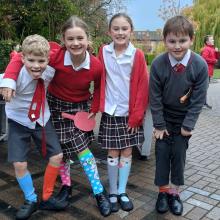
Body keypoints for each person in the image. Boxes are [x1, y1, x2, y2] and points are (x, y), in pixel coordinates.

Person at [2, 16, 111, 217]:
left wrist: (94, 108)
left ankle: (98, 193)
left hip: (79, 108)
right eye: (70, 39)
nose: (76, 43)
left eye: (80, 38)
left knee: (83, 152)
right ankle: (66, 187)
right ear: (63, 40)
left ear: (88, 39)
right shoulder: (55, 56)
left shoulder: (95, 65)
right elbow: (21, 57)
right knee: (61, 153)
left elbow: (100, 87)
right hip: (54, 106)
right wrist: (8, 80)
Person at [0, 35, 65, 220]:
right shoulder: (12, 76)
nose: (36, 65)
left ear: (47, 60)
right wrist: (7, 83)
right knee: (19, 164)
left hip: (42, 119)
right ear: (23, 59)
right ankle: (30, 199)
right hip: (19, 121)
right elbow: (8, 75)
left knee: (57, 156)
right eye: (31, 60)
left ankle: (46, 196)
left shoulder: (49, 71)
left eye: (41, 61)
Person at [150, 16, 208, 216]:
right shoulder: (158, 64)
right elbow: (155, 97)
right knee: (162, 155)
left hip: (183, 121)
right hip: (163, 119)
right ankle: (162, 192)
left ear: (191, 39)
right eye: (171, 41)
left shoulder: (199, 65)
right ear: (164, 40)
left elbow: (199, 99)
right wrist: (158, 124)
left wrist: (189, 124)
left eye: (182, 41)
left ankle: (174, 193)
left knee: (179, 156)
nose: (177, 46)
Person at [98, 13, 149, 212]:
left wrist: (137, 116)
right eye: (116, 29)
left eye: (124, 29)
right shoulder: (103, 51)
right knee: (112, 153)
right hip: (111, 111)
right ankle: (111, 191)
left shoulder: (137, 55)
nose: (120, 32)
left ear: (131, 31)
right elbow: (97, 77)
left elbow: (143, 87)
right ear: (109, 31)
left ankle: (122, 191)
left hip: (130, 113)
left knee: (127, 152)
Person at [201, 35, 219, 109]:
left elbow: (216, 58)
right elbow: (203, 58)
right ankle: (202, 104)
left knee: (205, 87)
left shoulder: (212, 49)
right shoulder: (206, 49)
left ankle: (203, 103)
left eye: (213, 39)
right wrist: (214, 60)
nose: (213, 40)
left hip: (209, 71)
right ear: (207, 42)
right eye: (211, 39)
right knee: (204, 88)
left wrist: (217, 52)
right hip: (206, 71)